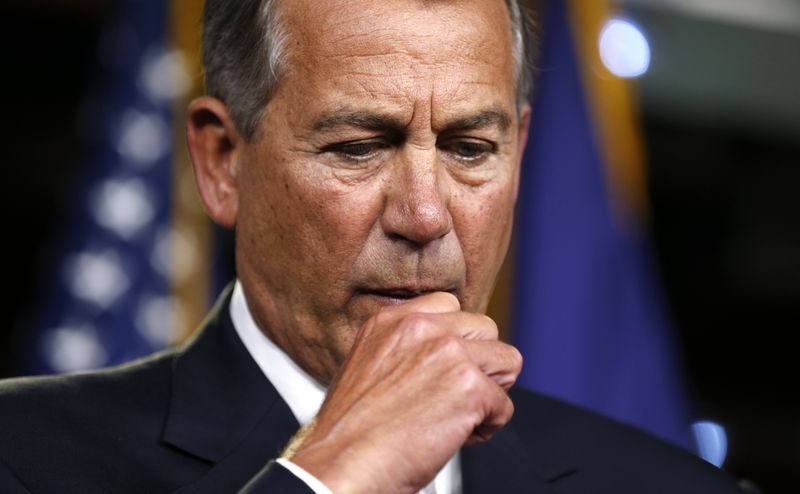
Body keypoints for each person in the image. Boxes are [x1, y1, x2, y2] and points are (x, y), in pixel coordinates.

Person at [0, 0, 746, 493]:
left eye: (468, 148)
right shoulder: (22, 456)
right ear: (223, 162)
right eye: (359, 147)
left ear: (518, 156)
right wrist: (329, 480)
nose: (424, 216)